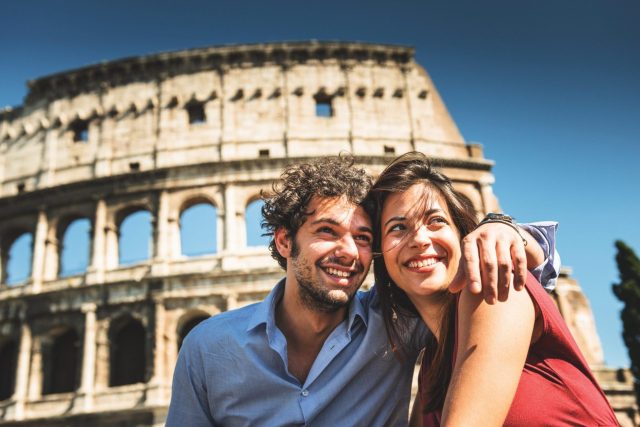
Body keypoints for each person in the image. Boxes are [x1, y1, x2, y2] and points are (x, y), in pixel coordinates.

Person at [166, 155, 559, 426]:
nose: (349, 251)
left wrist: (503, 226)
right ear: (285, 242)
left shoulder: (399, 322)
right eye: (327, 232)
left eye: (363, 237)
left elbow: (475, 278)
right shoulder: (208, 347)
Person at [369, 152, 617, 426]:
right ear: (379, 255)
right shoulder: (430, 367)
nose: (419, 239)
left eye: (436, 221)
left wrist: (503, 224)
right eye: (398, 227)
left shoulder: (496, 287)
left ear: (465, 235)